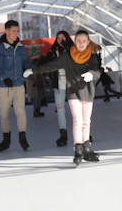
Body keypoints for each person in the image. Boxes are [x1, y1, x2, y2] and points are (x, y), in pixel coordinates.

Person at [29, 29, 103, 166]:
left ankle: (87, 149)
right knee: (77, 120)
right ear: (75, 42)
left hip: (87, 91)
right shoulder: (67, 56)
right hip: (73, 92)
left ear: (88, 42)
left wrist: (92, 74)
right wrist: (33, 70)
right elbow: (51, 65)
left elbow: (98, 70)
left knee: (86, 121)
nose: (81, 44)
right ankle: (78, 150)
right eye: (79, 41)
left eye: (84, 41)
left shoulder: (92, 56)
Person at [0, 20, 31, 151]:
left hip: (19, 84)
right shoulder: (0, 47)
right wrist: (3, 78)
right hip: (4, 87)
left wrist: (29, 69)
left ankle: (23, 139)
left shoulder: (21, 47)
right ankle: (6, 140)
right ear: (7, 31)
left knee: (20, 112)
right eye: (14, 30)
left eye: (17, 31)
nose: (16, 33)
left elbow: (25, 61)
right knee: (4, 114)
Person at [48, 31, 72, 145]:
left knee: (76, 108)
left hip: (72, 81)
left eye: (63, 37)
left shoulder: (73, 50)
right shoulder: (52, 51)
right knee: (60, 109)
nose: (60, 39)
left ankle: (85, 134)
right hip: (58, 82)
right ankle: (63, 135)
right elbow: (47, 64)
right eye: (58, 38)